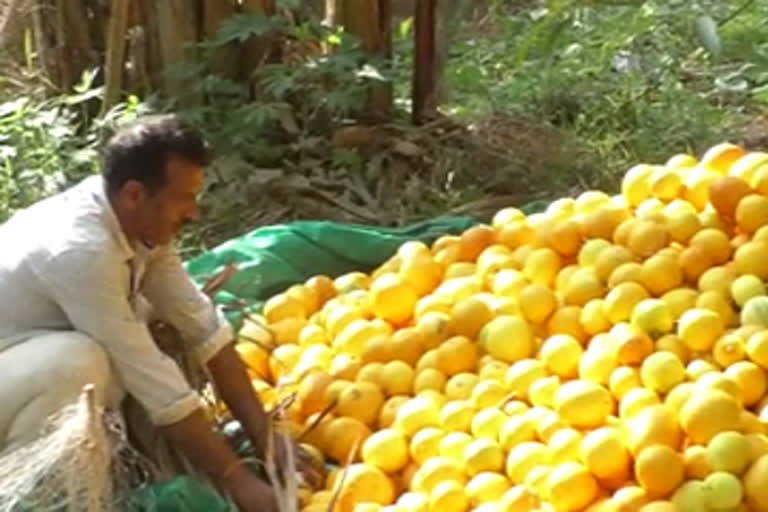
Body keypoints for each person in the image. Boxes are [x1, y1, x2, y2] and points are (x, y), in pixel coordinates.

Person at [0, 114, 312, 511]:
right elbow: (154, 383)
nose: (194, 213)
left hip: (18, 366)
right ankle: (32, 495)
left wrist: (268, 439)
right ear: (134, 194)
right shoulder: (81, 251)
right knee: (79, 363)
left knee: (124, 334)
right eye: (185, 199)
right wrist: (238, 481)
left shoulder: (136, 221)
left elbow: (203, 328)